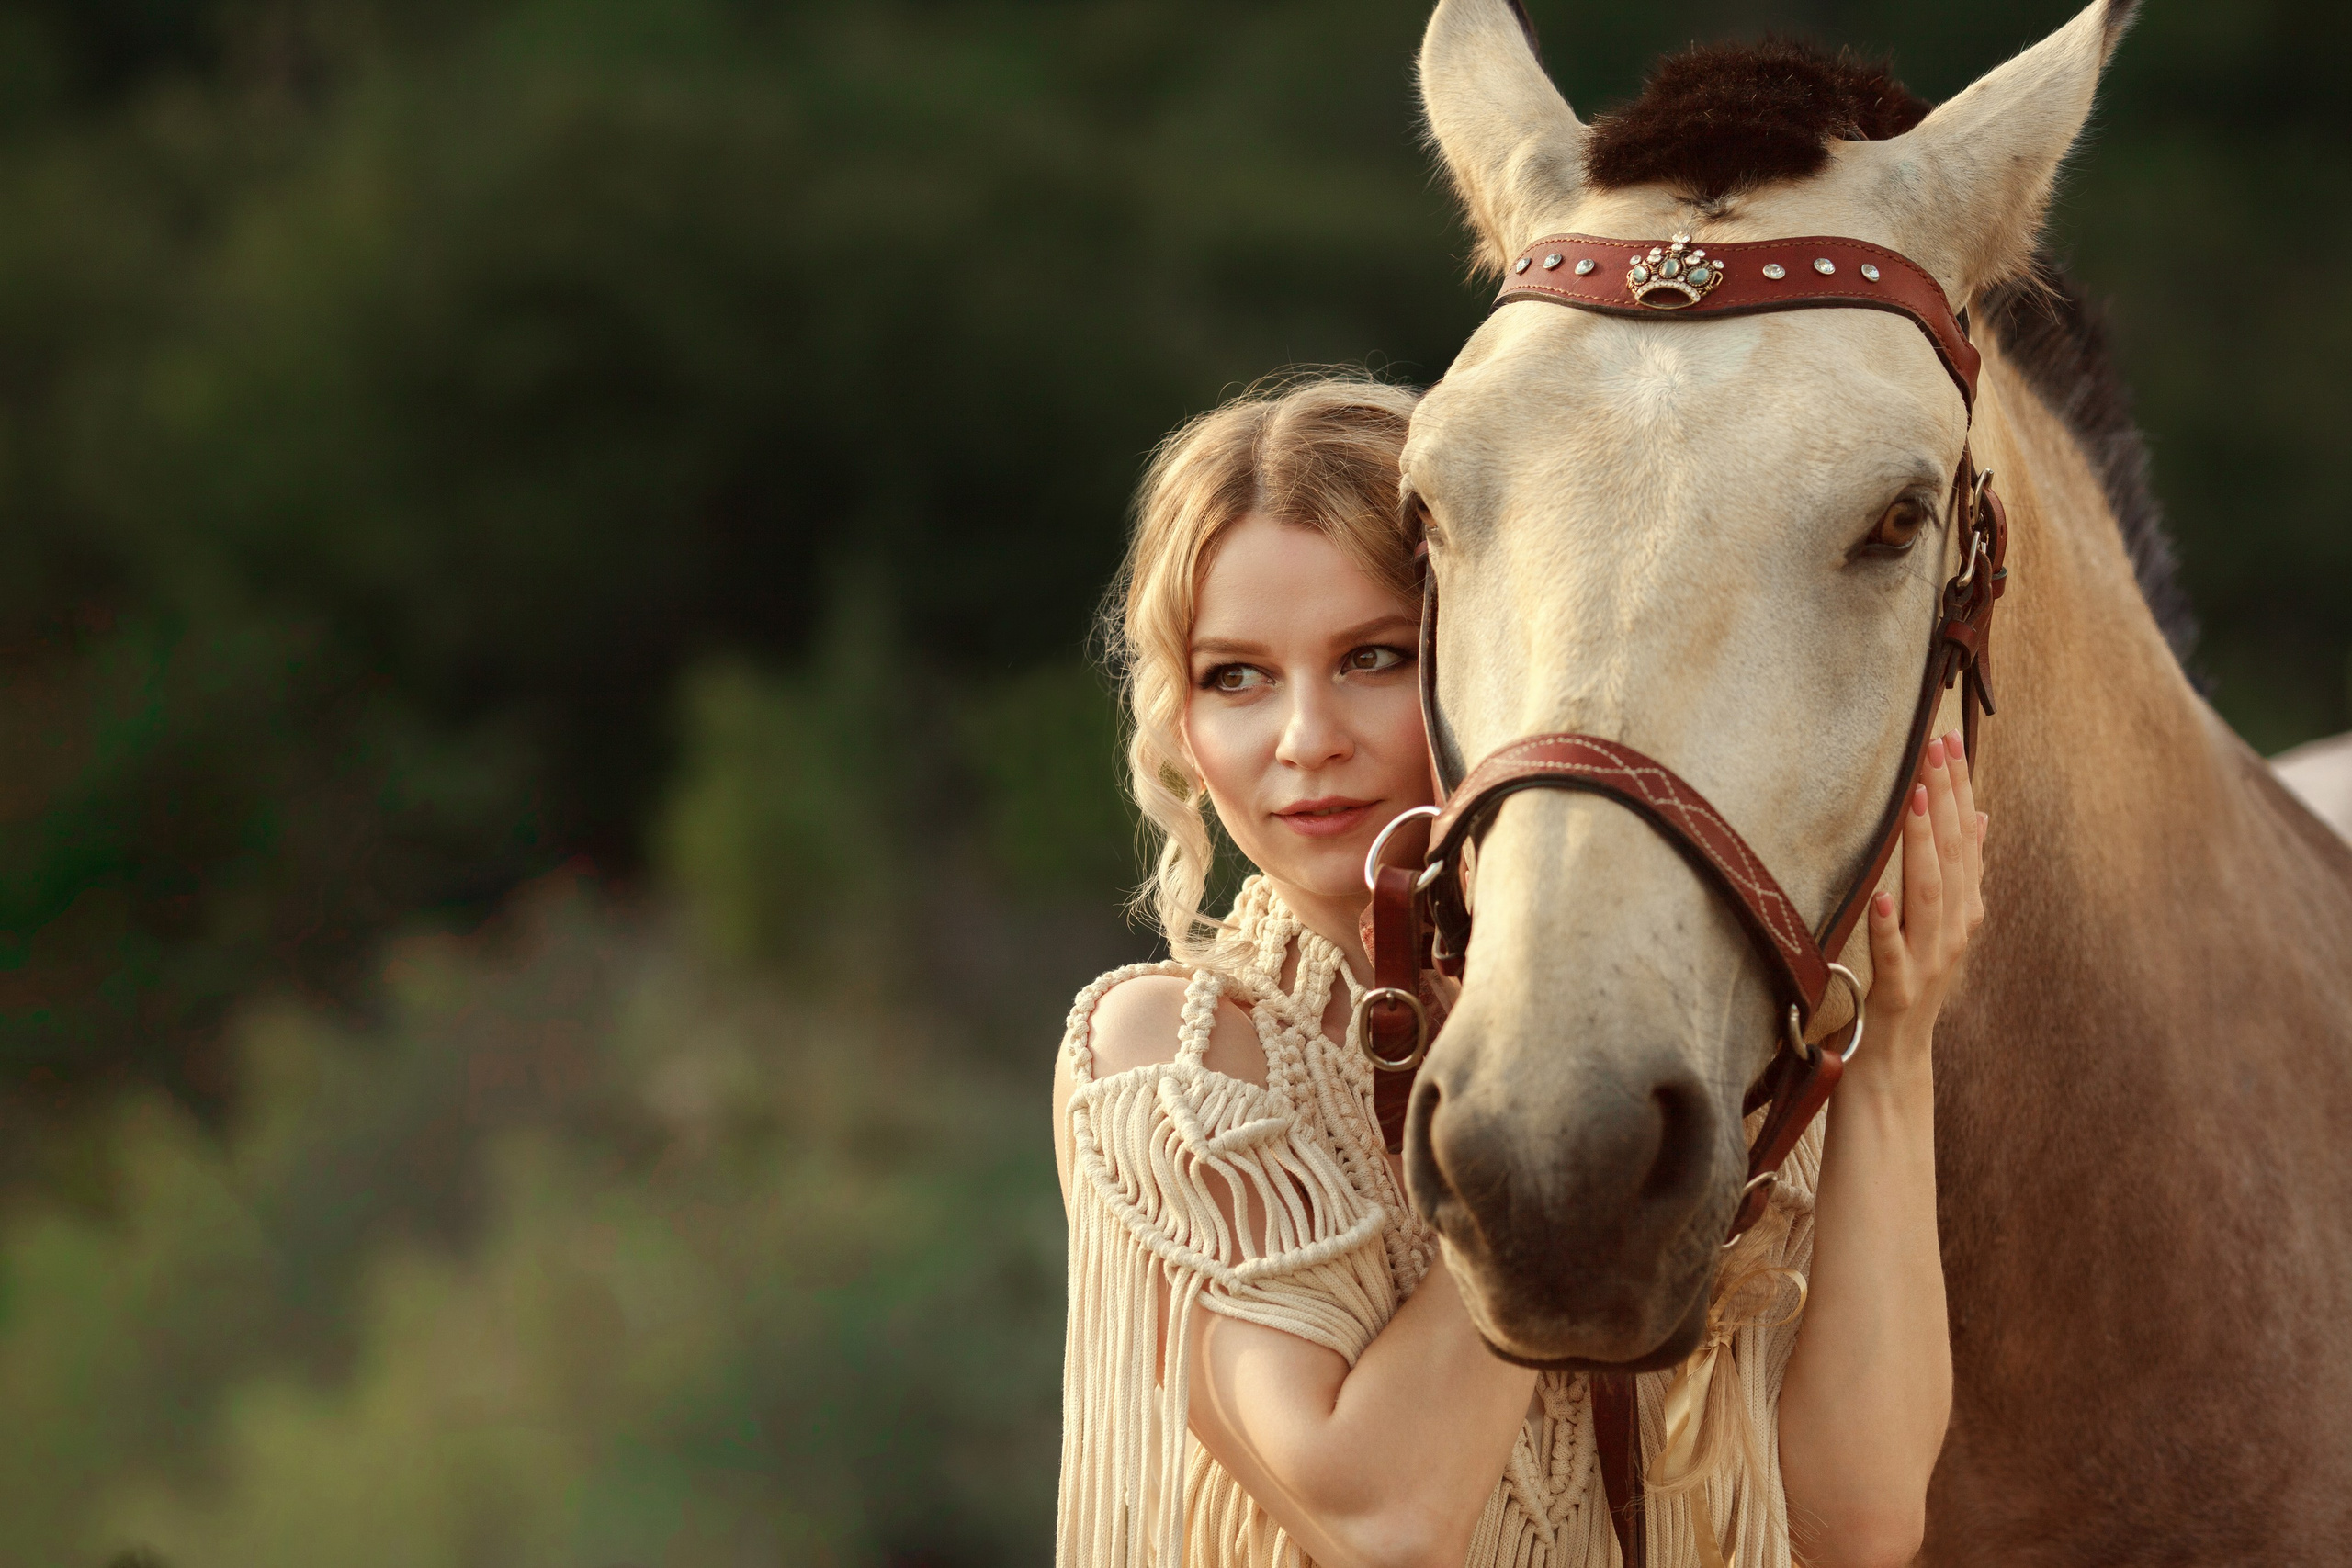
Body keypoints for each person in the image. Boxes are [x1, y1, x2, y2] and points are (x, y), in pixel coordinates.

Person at [1052, 373, 1982, 1568]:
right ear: (1181, 721)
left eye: (1374, 657)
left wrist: (1896, 1052)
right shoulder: (1173, 1057)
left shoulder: (1703, 1035)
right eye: (1236, 676)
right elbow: (1382, 1520)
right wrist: (1548, 1093)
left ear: (1498, 668)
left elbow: (1858, 1527)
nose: (1304, 738)